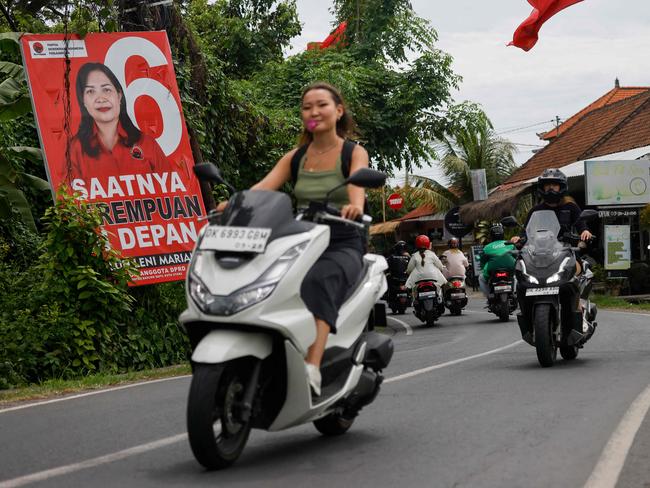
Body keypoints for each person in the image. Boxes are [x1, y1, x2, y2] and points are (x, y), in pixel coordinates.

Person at [219, 82, 369, 396]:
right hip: (301, 236)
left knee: (318, 280)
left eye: (322, 105)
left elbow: (358, 187)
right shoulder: (296, 157)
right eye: (307, 107)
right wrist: (234, 203)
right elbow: (263, 188)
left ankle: (312, 366)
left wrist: (354, 206)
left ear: (338, 111)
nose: (314, 112)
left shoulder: (353, 152)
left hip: (342, 239)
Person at [68, 62, 169, 182]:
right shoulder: (75, 149)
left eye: (106, 90)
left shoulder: (146, 143)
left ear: (119, 95)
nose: (100, 98)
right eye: (90, 91)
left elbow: (171, 186)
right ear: (83, 101)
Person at [510, 168, 593, 273]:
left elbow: (582, 225)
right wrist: (519, 238)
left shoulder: (570, 207)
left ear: (561, 187)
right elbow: (526, 232)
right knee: (521, 274)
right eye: (547, 185)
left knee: (575, 271)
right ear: (542, 188)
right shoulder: (536, 210)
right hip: (539, 255)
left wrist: (585, 231)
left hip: (566, 252)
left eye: (554, 185)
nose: (551, 188)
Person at [480, 223, 516, 298]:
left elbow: (483, 261)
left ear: (491, 235)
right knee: (516, 276)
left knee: (481, 278)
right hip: (510, 268)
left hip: (492, 270)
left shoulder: (487, 247)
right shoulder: (510, 244)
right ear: (503, 233)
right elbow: (516, 256)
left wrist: (483, 269)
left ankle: (488, 296)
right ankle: (515, 292)